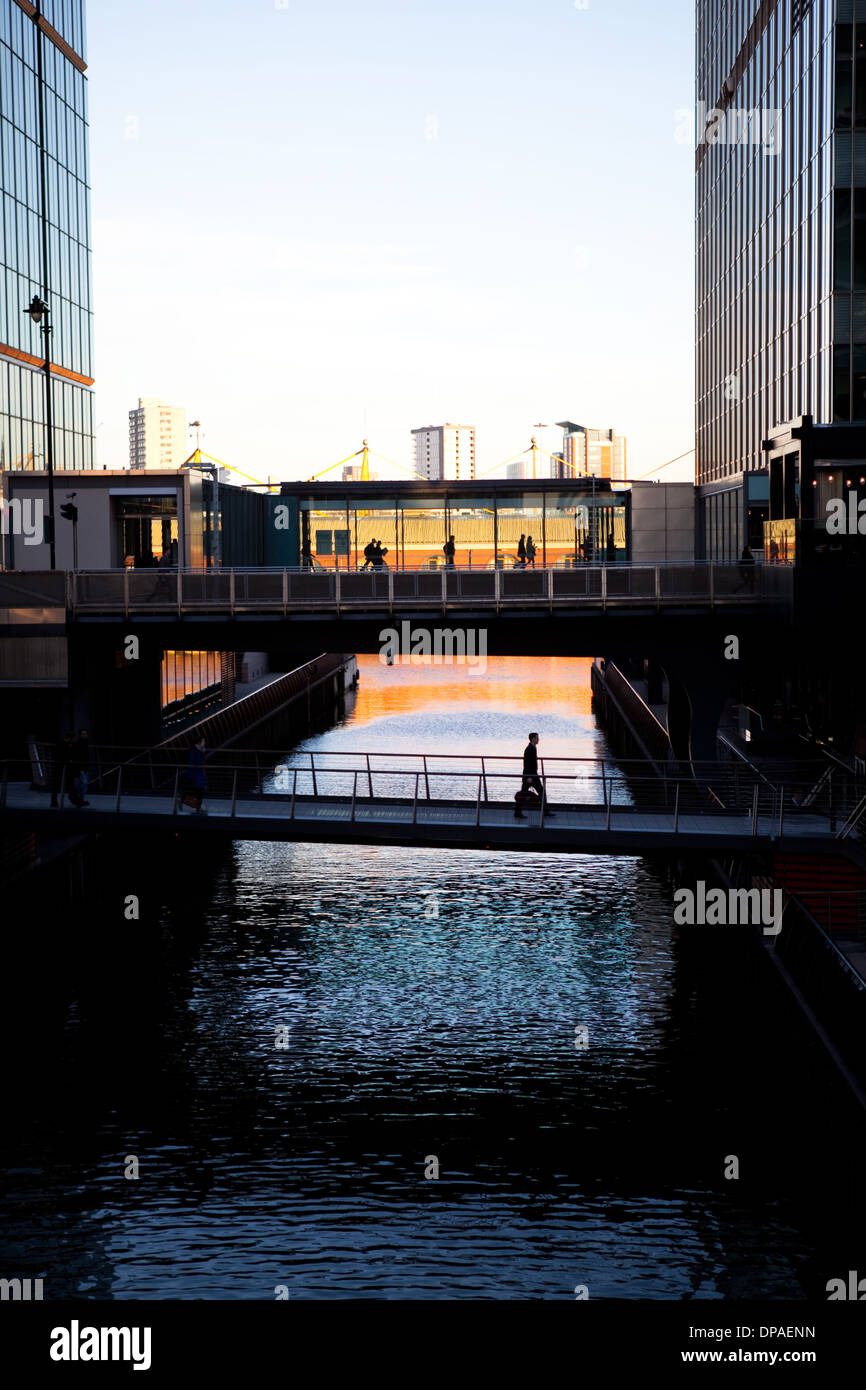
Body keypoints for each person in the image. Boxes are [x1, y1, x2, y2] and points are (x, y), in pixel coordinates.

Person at [515, 732, 555, 820]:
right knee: (536, 792)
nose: (538, 739)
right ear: (533, 739)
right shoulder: (530, 749)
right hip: (530, 776)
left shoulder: (532, 748)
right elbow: (527, 763)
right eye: (537, 738)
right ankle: (545, 811)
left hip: (531, 775)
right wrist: (529, 776)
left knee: (526, 793)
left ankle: (518, 812)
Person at [50, 730, 75, 807]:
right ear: (70, 738)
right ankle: (54, 801)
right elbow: (61, 755)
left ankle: (54, 801)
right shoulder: (63, 745)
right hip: (60, 766)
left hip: (60, 766)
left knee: (57, 784)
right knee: (58, 784)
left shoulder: (62, 744)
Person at [183, 736, 207, 813]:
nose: (205, 743)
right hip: (196, 775)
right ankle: (184, 800)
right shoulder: (194, 751)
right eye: (203, 741)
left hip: (200, 774)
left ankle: (197, 807)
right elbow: (191, 764)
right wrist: (191, 776)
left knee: (199, 792)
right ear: (199, 742)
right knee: (198, 792)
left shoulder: (200, 750)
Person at [69, 729, 90, 806]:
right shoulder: (78, 744)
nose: (85, 735)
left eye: (85, 734)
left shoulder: (85, 743)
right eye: (83, 734)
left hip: (83, 767)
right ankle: (79, 799)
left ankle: (80, 799)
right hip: (80, 767)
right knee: (83, 783)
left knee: (82, 784)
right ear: (80, 735)